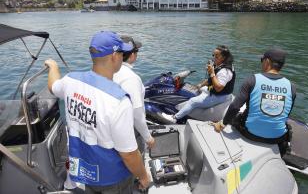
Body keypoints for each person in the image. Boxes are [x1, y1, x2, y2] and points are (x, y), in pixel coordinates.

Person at [45, 31, 150, 193]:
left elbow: (53, 86)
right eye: (122, 53)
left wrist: (53, 66)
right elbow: (129, 154)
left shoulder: (70, 81)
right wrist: (143, 176)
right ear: (114, 56)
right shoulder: (119, 101)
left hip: (84, 171)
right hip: (112, 178)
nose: (123, 57)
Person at [214, 48, 296, 149]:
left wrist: (222, 124)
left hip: (251, 134)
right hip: (277, 138)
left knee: (236, 118)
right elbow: (286, 113)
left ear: (267, 61)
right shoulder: (291, 86)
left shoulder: (252, 80)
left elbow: (235, 107)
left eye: (262, 60)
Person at [162, 45, 236, 123]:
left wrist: (212, 73)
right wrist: (200, 85)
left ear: (223, 58)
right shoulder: (219, 65)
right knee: (201, 88)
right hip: (215, 92)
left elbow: (218, 88)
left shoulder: (225, 71)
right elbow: (210, 80)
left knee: (193, 101)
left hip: (220, 96)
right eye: (213, 55)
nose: (214, 58)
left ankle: (175, 118)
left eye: (217, 56)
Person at [113, 35, 155, 151]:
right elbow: (137, 114)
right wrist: (148, 138)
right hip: (128, 132)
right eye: (136, 52)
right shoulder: (131, 78)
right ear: (132, 55)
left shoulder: (109, 71)